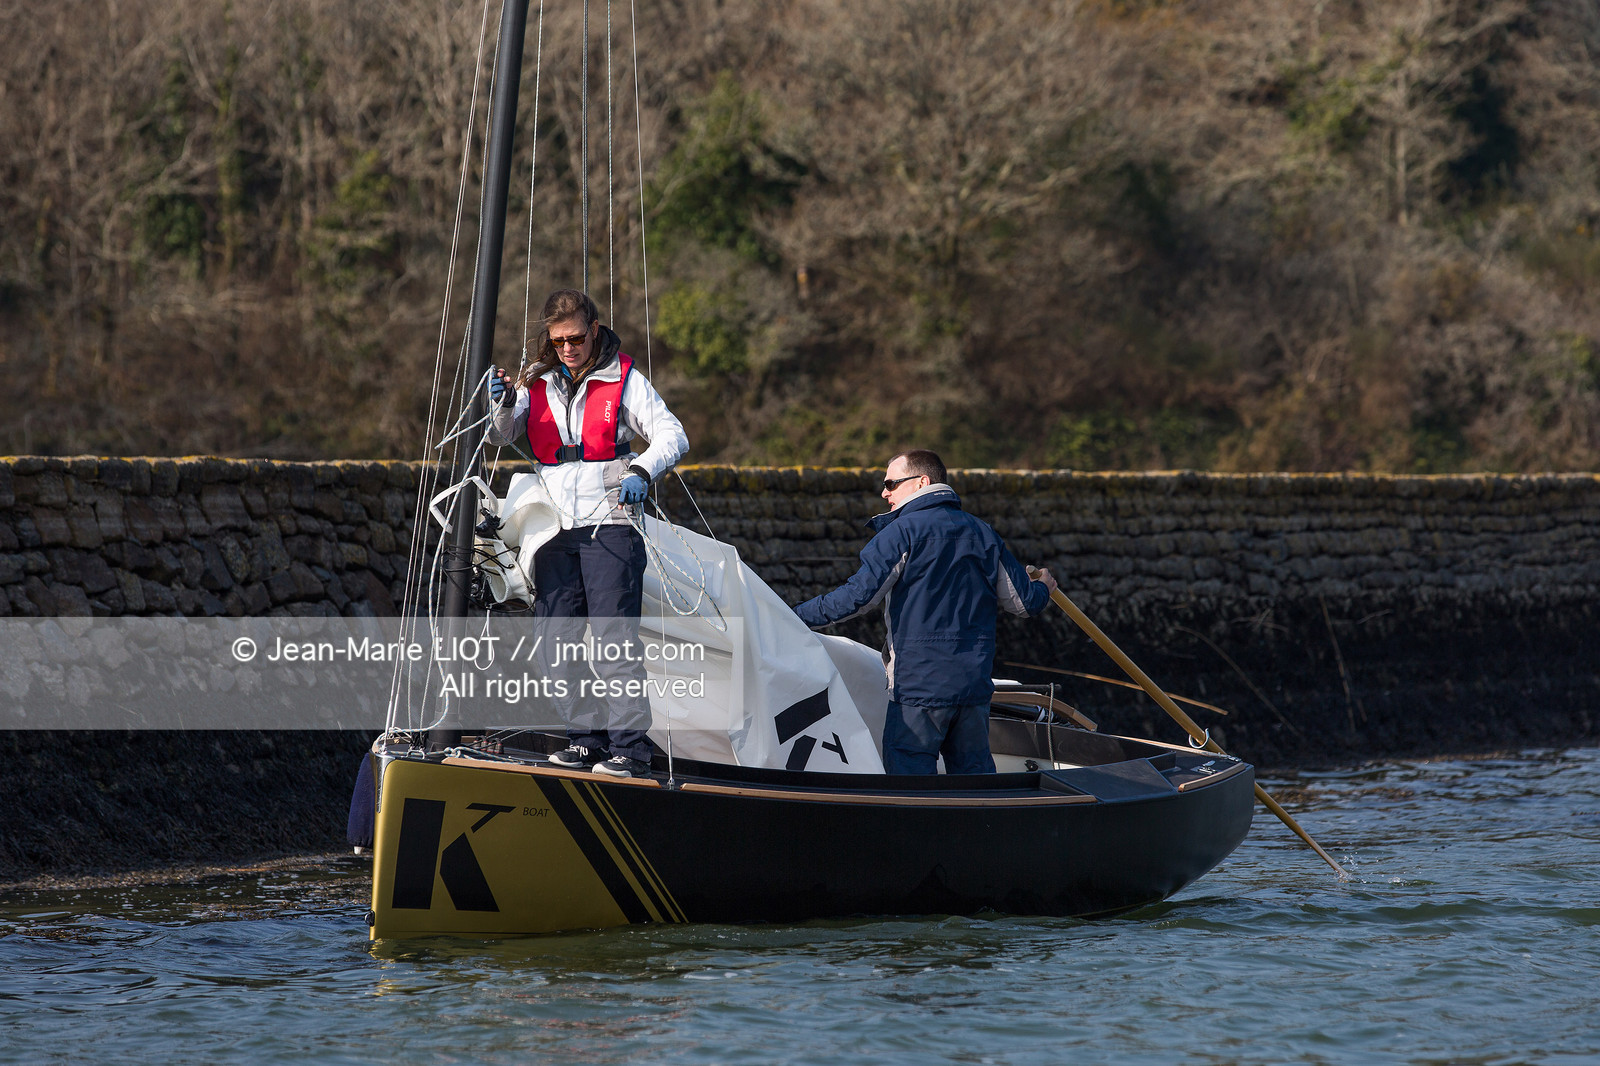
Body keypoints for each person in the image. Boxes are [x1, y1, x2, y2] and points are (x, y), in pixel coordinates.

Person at [487, 289, 688, 778]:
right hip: (552, 527)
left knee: (613, 642)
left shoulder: (624, 377)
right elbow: (500, 435)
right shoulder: (537, 382)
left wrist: (642, 470)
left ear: (594, 330)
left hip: (610, 524)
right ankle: (586, 739)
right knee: (556, 642)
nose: (568, 349)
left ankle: (630, 749)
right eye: (558, 342)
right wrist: (502, 404)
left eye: (576, 338)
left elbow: (672, 434)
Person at [793, 450, 1058, 774]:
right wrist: (1046, 586)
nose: (884, 492)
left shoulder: (899, 534)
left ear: (922, 482)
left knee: (910, 790)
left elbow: (857, 598)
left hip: (918, 693)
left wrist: (793, 616)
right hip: (973, 691)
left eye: (891, 483)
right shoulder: (984, 533)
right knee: (976, 791)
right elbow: (1024, 603)